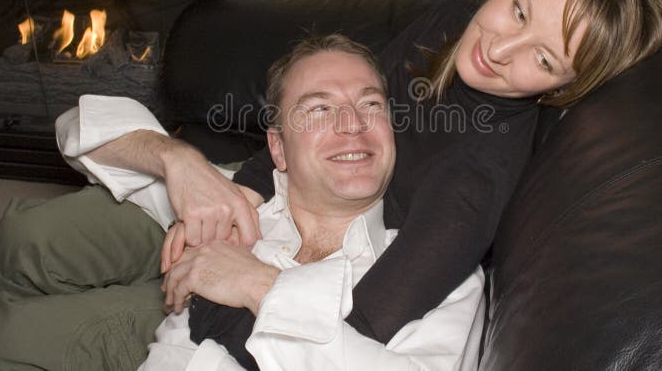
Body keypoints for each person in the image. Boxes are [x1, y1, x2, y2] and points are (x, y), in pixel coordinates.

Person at [0, 0, 662, 370]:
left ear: (561, 89)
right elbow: (345, 94)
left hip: (295, 281)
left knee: (16, 333)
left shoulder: (474, 179)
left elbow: (371, 321)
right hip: (272, 202)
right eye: (518, 8)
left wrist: (227, 288)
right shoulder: (452, 24)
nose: (501, 48)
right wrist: (238, 191)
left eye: (543, 59)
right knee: (28, 234)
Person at [129, 35, 483, 369]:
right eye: (319, 109)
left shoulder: (440, 266)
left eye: (370, 104)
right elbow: (80, 126)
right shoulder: (230, 206)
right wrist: (177, 161)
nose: (353, 124)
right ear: (278, 149)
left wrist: (259, 286)